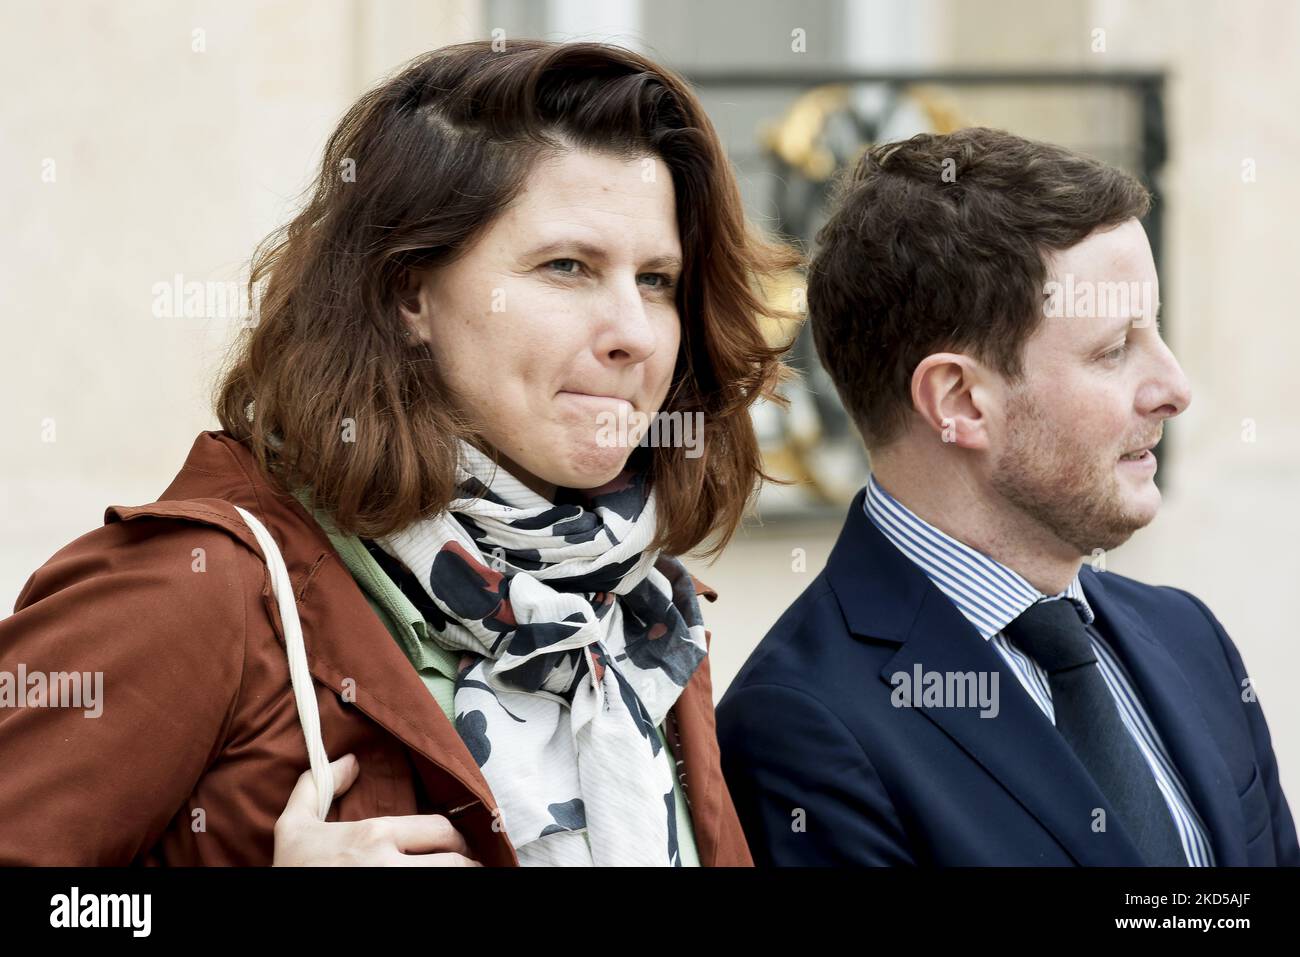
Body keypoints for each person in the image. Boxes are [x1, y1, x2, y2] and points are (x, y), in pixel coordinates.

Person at [0, 39, 798, 866]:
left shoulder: (644, 618)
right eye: (568, 267)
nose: (633, 333)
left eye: (658, 280)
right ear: (409, 290)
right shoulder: (197, 589)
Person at [716, 126, 1299, 867]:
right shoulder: (802, 728)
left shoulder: (1190, 640)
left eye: (1155, 333)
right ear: (958, 399)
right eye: (1114, 349)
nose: (1175, 388)